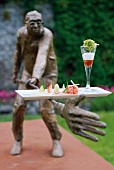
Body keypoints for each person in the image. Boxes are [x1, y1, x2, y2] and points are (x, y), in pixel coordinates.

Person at [10, 10, 106, 157]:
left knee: (45, 109)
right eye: (32, 23)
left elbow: (42, 57)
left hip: (48, 73)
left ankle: (56, 139)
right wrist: (15, 72)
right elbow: (18, 52)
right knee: (18, 107)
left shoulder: (47, 34)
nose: (36, 26)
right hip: (27, 74)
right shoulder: (21, 34)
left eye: (39, 22)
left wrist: (36, 78)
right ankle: (17, 139)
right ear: (25, 24)